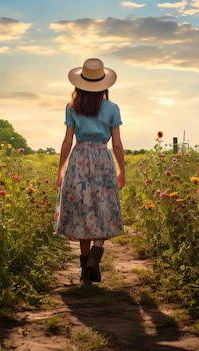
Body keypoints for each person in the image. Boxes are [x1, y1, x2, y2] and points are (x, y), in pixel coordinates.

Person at [54, 58, 125, 284]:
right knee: (103, 206)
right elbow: (117, 144)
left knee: (82, 210)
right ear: (104, 85)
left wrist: (61, 169)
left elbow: (67, 142)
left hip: (79, 158)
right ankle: (96, 256)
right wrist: (122, 169)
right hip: (103, 159)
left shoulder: (72, 108)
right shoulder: (112, 108)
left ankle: (85, 270)